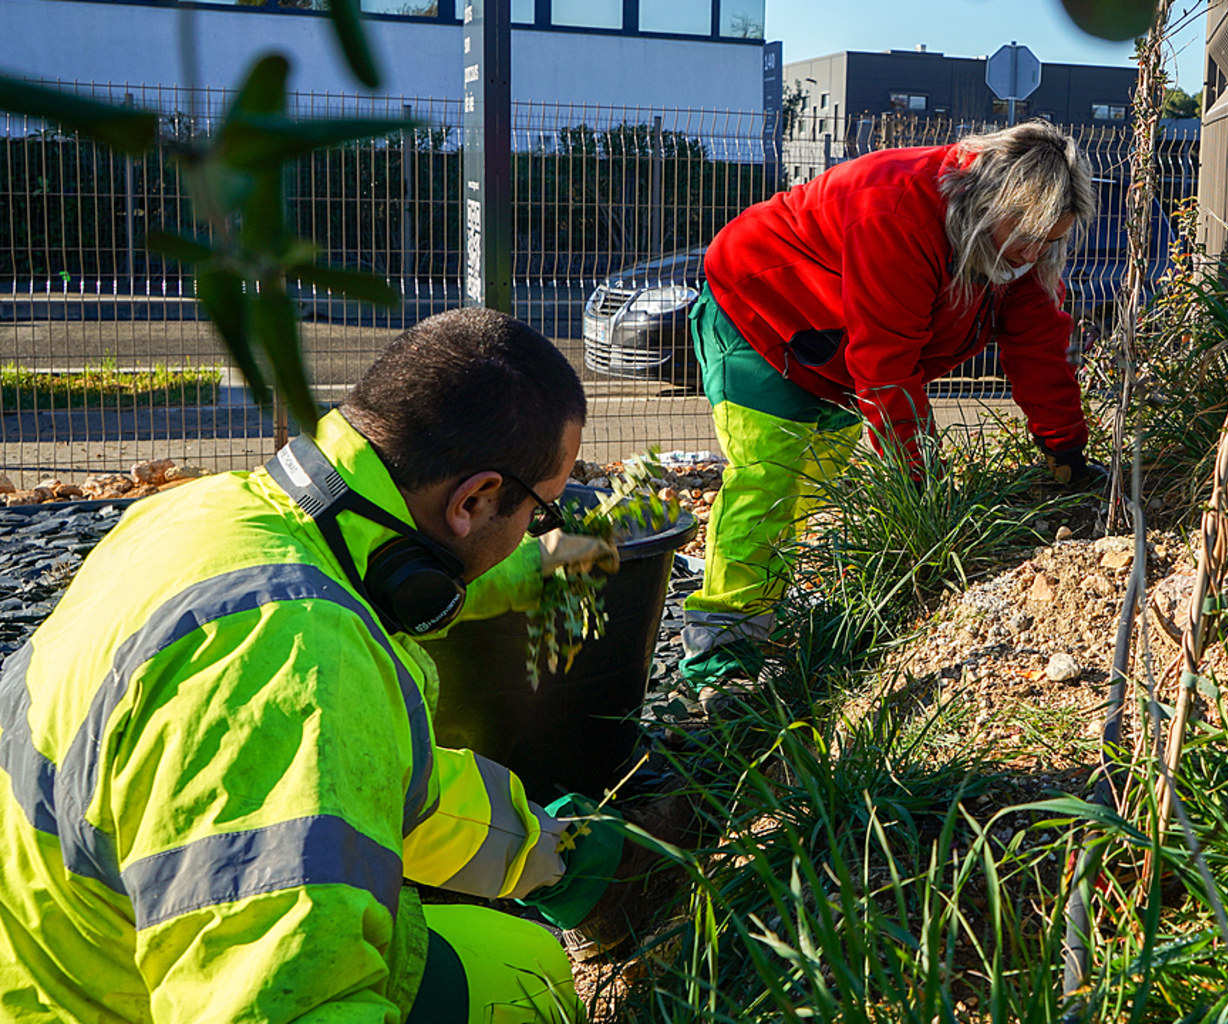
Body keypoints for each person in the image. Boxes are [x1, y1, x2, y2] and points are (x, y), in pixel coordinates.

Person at [0, 308, 634, 1023]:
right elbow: (278, 998)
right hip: (119, 1000)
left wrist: (551, 854)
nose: (537, 529)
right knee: (531, 985)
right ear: (476, 500)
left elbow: (372, 784)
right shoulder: (297, 663)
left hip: (55, 950)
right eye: (541, 514)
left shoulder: (205, 518)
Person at [680, 119, 1099, 690]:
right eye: (1029, 238)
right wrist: (916, 489)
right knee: (771, 479)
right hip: (761, 311)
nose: (1034, 254)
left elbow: (1038, 343)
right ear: (994, 200)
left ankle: (765, 620)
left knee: (814, 482)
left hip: (833, 351)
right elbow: (888, 369)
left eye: (1051, 242)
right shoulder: (896, 210)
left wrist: (1064, 443)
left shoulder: (1014, 240)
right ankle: (721, 656)